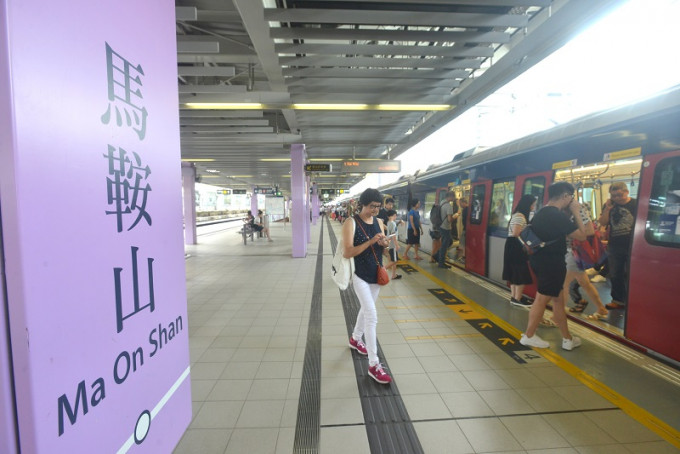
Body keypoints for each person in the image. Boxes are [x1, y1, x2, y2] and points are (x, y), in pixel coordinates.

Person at [519, 182, 588, 351]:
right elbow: (582, 235)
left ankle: (567, 339)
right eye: (571, 197)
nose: (571, 200)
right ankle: (528, 336)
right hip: (552, 262)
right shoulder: (557, 215)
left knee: (558, 299)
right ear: (565, 196)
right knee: (541, 299)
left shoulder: (541, 212)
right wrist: (576, 211)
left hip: (539, 259)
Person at [343, 188, 393, 384]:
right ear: (362, 204)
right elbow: (348, 252)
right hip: (360, 275)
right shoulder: (351, 223)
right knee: (372, 316)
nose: (375, 210)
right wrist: (372, 241)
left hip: (376, 274)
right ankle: (374, 365)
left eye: (378, 207)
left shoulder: (380, 221)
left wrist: (384, 244)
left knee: (366, 310)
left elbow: (383, 248)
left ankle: (355, 338)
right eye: (372, 206)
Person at [563, 203, 609, 318]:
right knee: (584, 283)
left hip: (575, 253)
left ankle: (558, 315)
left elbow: (589, 231)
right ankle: (601, 309)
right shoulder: (565, 210)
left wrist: (568, 234)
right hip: (571, 251)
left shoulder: (578, 210)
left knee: (563, 284)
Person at [598, 182, 636, 309]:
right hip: (615, 245)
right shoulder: (610, 205)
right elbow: (603, 222)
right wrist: (607, 209)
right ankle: (619, 300)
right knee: (615, 274)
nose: (617, 198)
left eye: (619, 195)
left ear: (626, 192)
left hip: (633, 245)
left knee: (634, 275)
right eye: (613, 196)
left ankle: (636, 300)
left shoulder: (636, 204)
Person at [502, 194, 536, 308]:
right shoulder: (520, 217)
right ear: (528, 204)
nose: (533, 207)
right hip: (516, 245)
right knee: (521, 271)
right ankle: (517, 298)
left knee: (514, 272)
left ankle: (514, 297)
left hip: (512, 244)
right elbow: (517, 233)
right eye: (533, 204)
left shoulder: (516, 215)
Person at [437, 191, 458, 269]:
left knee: (449, 242)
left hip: (441, 227)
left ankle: (437, 255)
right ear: (450, 197)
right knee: (445, 245)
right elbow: (449, 219)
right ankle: (441, 263)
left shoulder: (442, 202)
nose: (454, 199)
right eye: (453, 197)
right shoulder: (448, 206)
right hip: (446, 228)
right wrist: (455, 216)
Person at [385, 210, 402, 280]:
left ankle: (394, 275)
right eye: (395, 216)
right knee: (394, 261)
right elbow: (393, 235)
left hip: (390, 244)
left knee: (394, 260)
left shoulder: (389, 223)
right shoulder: (393, 223)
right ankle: (382, 269)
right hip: (393, 245)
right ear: (394, 215)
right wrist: (397, 245)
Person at [454, 198, 469, 264]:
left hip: (466, 229)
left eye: (460, 203)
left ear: (464, 202)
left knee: (463, 243)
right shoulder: (467, 209)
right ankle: (464, 256)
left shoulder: (466, 209)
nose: (460, 205)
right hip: (466, 228)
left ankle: (464, 257)